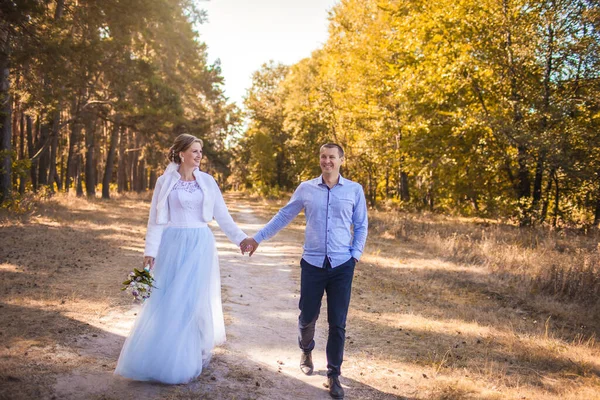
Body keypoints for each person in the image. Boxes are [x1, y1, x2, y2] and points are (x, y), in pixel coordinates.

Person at [115, 134, 251, 384]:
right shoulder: (165, 182)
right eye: (195, 151)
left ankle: (186, 357)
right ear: (181, 154)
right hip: (173, 243)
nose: (199, 156)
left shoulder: (207, 182)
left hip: (200, 243)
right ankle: (161, 355)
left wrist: (241, 239)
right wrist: (150, 252)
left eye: (201, 151)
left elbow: (222, 215)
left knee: (192, 301)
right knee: (169, 299)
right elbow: (155, 219)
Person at [241, 143, 368, 399]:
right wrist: (257, 238)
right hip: (312, 264)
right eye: (323, 156)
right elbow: (283, 215)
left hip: (342, 265)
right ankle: (306, 349)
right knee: (307, 316)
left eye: (332, 157)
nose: (327, 161)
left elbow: (361, 225)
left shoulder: (355, 190)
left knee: (338, 323)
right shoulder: (306, 189)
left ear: (341, 160)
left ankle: (334, 375)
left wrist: (354, 256)